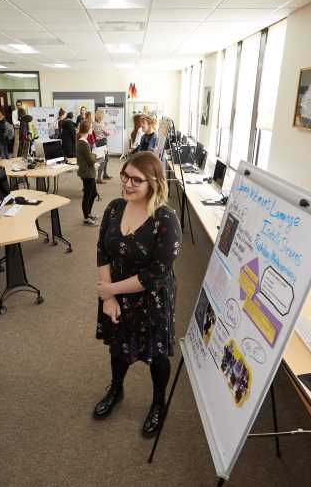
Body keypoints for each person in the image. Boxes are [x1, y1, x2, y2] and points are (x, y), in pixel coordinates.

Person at [93, 152, 182, 437]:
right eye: (125, 177)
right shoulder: (114, 208)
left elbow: (154, 275)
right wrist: (108, 298)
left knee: (156, 355)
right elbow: (102, 251)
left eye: (136, 180)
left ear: (153, 183)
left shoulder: (165, 219)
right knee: (118, 347)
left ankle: (158, 402)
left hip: (150, 298)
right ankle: (116, 390)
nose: (127, 184)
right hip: (115, 295)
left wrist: (110, 290)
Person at [76, 121, 99, 226]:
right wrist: (95, 154)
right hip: (87, 173)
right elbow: (90, 160)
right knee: (88, 195)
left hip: (88, 172)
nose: (92, 129)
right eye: (91, 128)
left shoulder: (83, 141)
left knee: (93, 194)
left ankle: (88, 214)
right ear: (87, 129)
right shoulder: (83, 143)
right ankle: (86, 218)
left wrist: (92, 155)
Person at [93, 109, 112, 184]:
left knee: (106, 158)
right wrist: (108, 131)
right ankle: (99, 178)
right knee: (103, 160)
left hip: (97, 142)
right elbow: (108, 133)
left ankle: (105, 174)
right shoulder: (101, 125)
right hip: (102, 143)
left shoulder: (94, 124)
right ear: (101, 116)